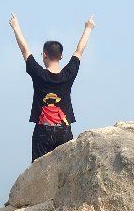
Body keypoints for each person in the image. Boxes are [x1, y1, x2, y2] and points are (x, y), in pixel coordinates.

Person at [9, 13, 96, 163]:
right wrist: (88, 28)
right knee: (65, 168)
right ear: (61, 56)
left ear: (44, 55)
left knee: (39, 169)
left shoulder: (38, 74)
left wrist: (15, 27)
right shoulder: (68, 74)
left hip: (43, 130)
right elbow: (79, 51)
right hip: (64, 130)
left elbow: (25, 49)